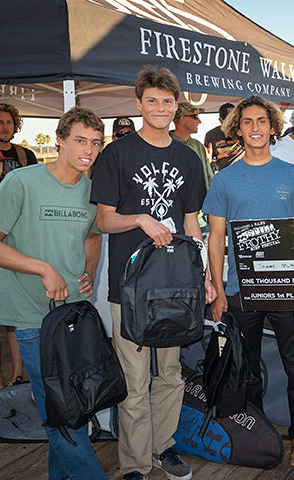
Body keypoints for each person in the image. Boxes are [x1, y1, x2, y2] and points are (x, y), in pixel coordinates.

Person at [90, 66, 215, 480]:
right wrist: (142, 218)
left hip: (178, 285)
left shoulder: (187, 156)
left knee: (173, 375)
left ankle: (163, 448)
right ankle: (135, 464)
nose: (160, 108)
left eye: (167, 101)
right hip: (130, 288)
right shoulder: (117, 154)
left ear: (176, 106)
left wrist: (206, 275)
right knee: (134, 379)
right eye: (152, 101)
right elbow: (105, 221)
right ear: (139, 104)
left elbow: (193, 222)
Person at [203, 94, 294, 467]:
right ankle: (258, 433)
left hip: (287, 291)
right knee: (246, 371)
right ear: (237, 128)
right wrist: (217, 290)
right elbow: (215, 239)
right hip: (239, 291)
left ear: (273, 127)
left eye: (262, 121)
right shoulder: (224, 179)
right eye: (247, 122)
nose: (255, 128)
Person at [0, 106, 106, 479]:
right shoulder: (21, 182)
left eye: (95, 142)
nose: (88, 150)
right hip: (31, 316)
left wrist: (89, 271)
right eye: (79, 140)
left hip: (73, 316)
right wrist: (43, 268)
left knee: (66, 406)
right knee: (61, 412)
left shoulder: (94, 192)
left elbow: (93, 235)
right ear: (59, 140)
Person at [0, 103, 36, 390]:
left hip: (19, 240)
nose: (4, 126)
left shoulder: (26, 155)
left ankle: (18, 374)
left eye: (8, 122)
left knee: (15, 314)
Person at [171, 101, 214, 190]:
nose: (199, 121)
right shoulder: (164, 145)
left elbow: (209, 178)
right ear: (183, 119)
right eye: (195, 117)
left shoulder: (199, 146)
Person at [203, 102, 243, 172]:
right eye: (228, 121)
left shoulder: (246, 132)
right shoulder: (212, 135)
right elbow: (209, 162)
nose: (232, 124)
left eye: (234, 120)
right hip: (224, 178)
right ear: (220, 121)